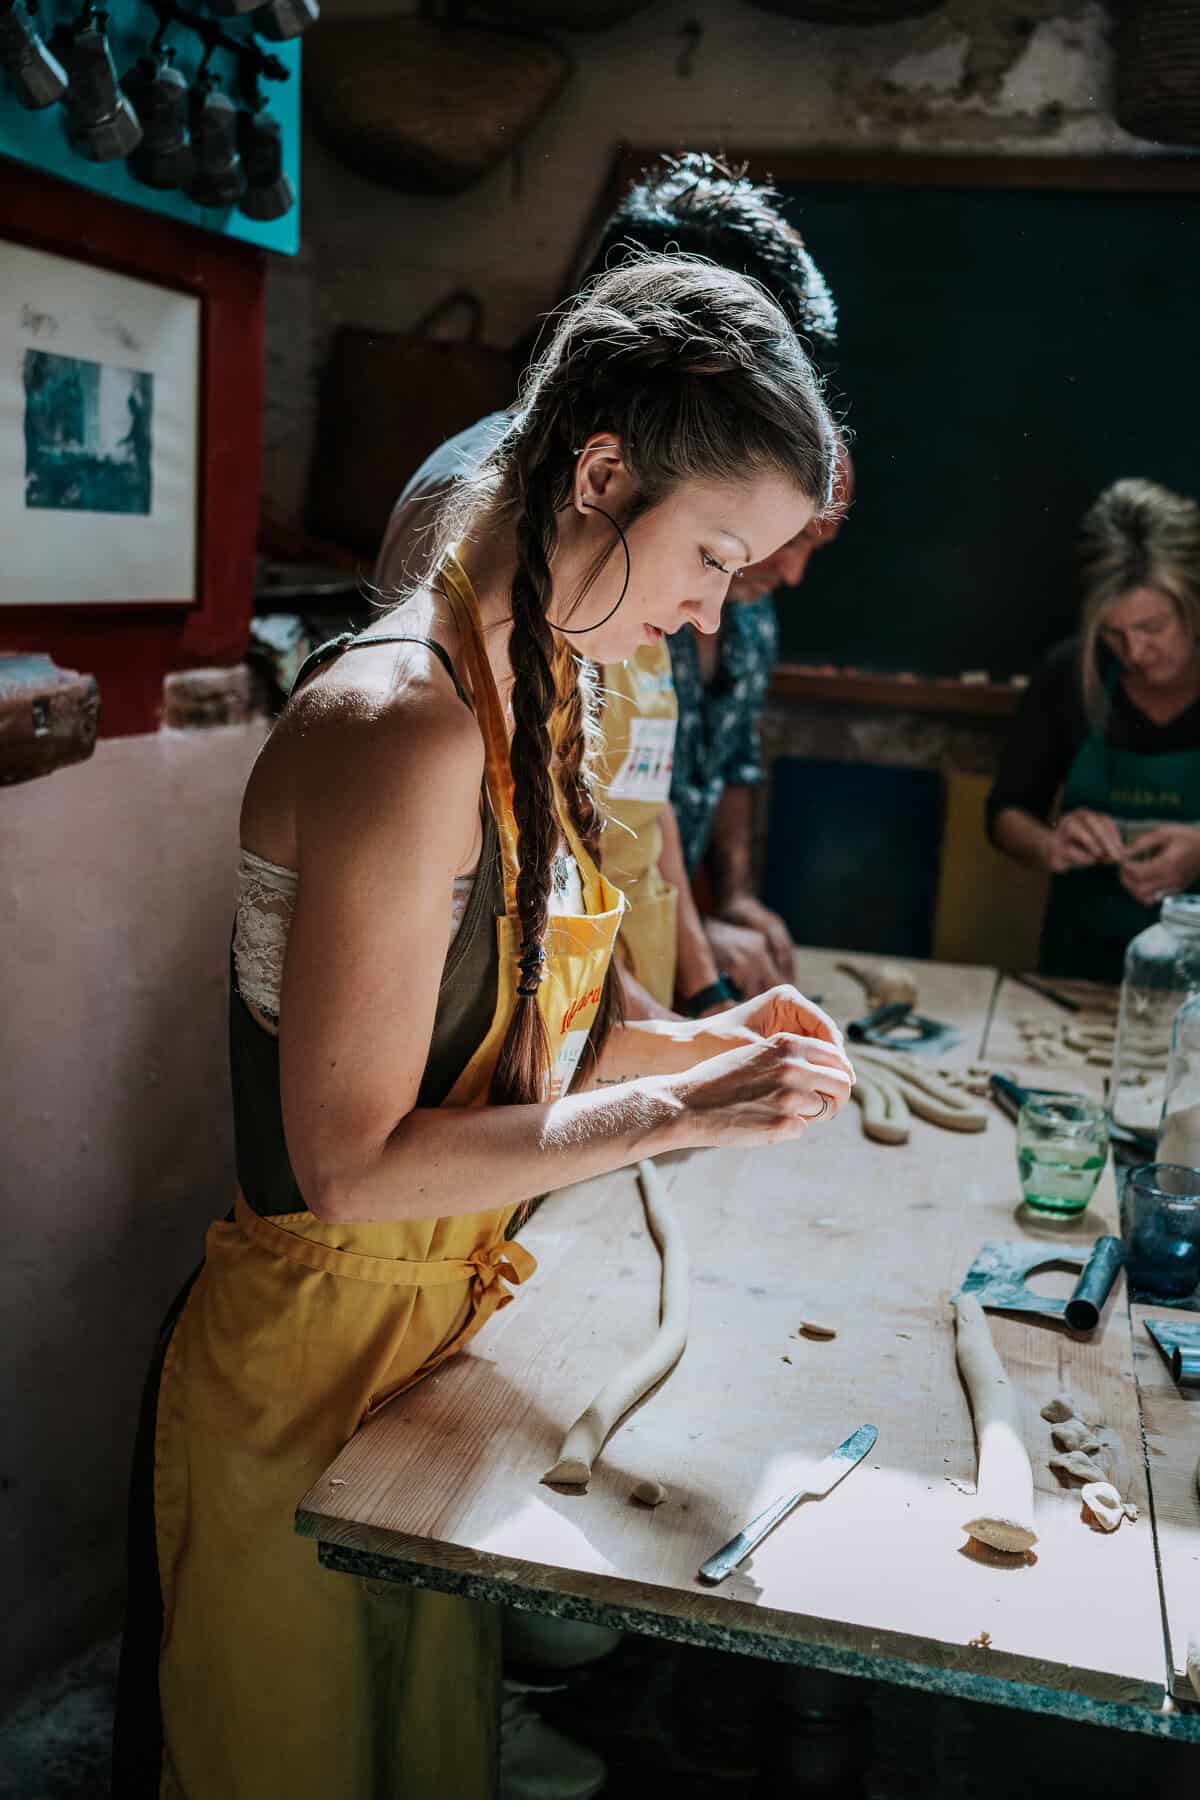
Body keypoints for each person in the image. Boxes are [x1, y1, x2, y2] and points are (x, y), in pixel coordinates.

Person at [112, 254, 854, 1800]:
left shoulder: (547, 700)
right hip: (308, 1363)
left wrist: (711, 1057)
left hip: (436, 1362)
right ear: (600, 473)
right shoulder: (406, 722)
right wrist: (676, 1118)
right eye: (712, 556)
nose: (713, 615)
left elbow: (570, 1048)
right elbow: (358, 1171)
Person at [377, 152, 845, 1018]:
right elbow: (488, 914)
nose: (710, 612)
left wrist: (685, 1021)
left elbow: (617, 799)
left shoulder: (634, 550)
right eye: (760, 380)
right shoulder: (509, 515)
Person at [988, 477, 1200, 983]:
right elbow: (1006, 813)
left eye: (1152, 628)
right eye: (1112, 633)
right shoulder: (1069, 674)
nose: (1135, 652)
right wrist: (1051, 843)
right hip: (1082, 962)